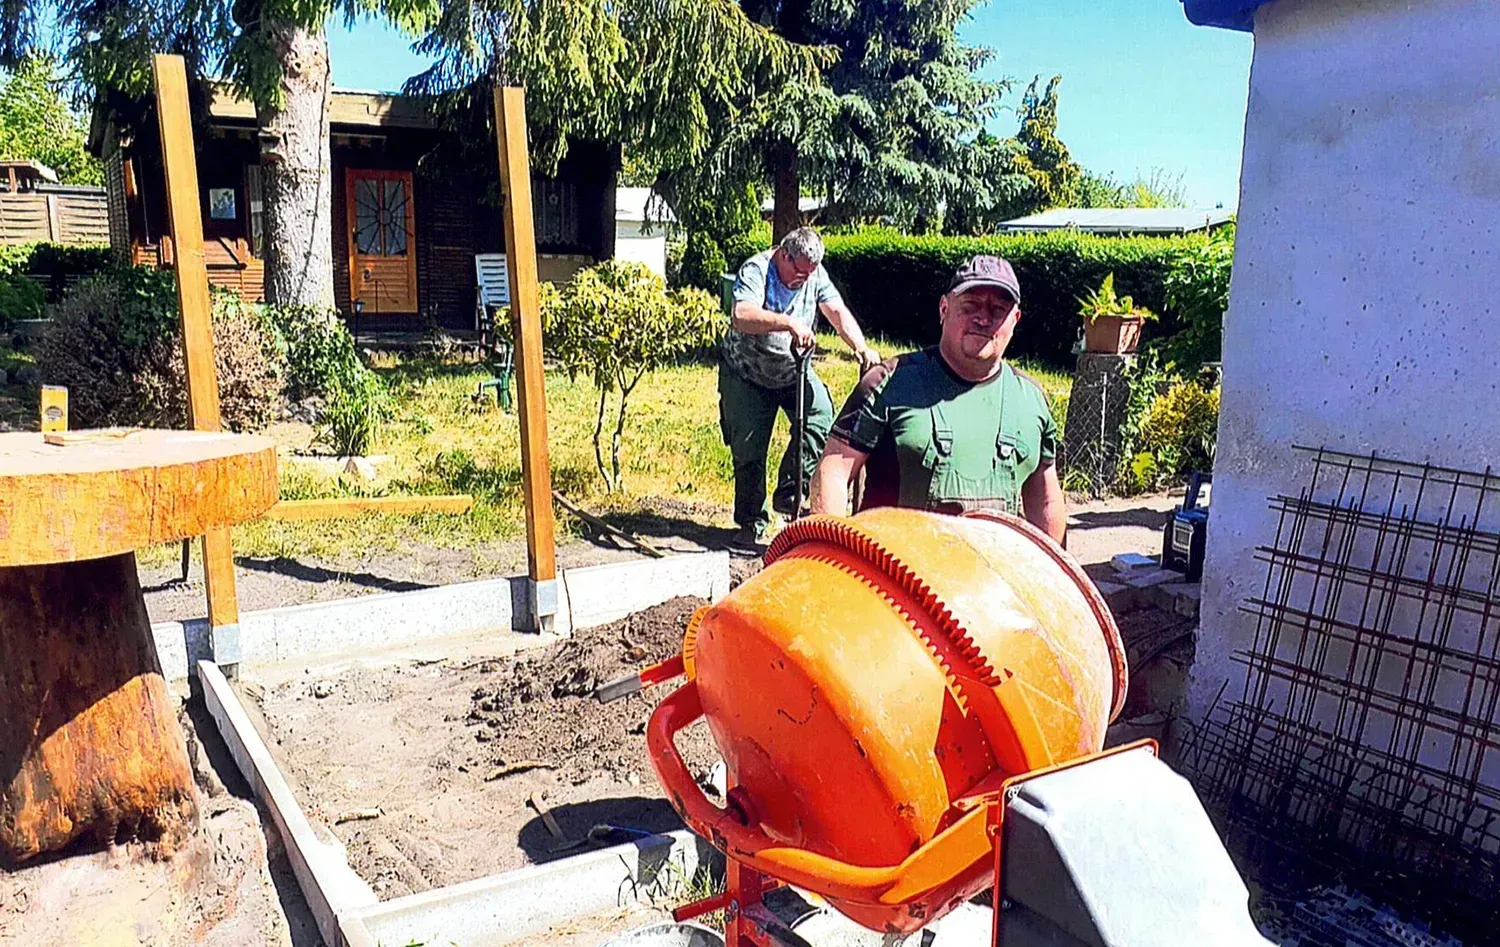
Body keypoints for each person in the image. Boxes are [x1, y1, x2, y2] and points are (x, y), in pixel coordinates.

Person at [810, 255, 1066, 544]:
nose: (983, 319)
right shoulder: (888, 383)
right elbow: (833, 469)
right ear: (944, 308)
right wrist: (832, 550)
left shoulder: (1030, 402)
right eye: (970, 306)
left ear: (1015, 319)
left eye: (998, 310)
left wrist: (1052, 574)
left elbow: (1046, 502)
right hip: (889, 578)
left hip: (993, 581)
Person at [720, 227, 880, 547]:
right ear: (783, 254)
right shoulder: (757, 269)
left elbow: (836, 311)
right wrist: (789, 322)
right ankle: (752, 521)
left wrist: (861, 348)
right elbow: (742, 314)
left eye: (809, 273)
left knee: (821, 416)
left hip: (793, 371)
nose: (803, 279)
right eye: (798, 271)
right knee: (749, 449)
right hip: (747, 372)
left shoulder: (813, 273)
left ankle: (791, 492)